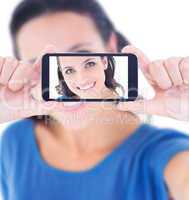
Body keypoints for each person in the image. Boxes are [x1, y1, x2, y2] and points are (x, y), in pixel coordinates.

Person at [0, 0, 189, 200]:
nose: (79, 80)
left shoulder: (167, 154)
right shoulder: (15, 141)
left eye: (86, 58)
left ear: (108, 51)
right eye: (45, 64)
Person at [55, 55, 124, 99]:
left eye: (90, 64)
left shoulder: (128, 109)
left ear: (104, 62)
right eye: (69, 71)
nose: (82, 80)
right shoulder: (56, 107)